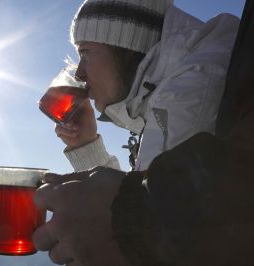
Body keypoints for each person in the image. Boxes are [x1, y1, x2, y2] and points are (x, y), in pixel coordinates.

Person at [33, 0, 241, 265]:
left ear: (127, 43)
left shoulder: (188, 94)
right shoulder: (171, 89)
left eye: (85, 53)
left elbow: (138, 238)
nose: (80, 72)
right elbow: (138, 202)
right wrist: (85, 145)